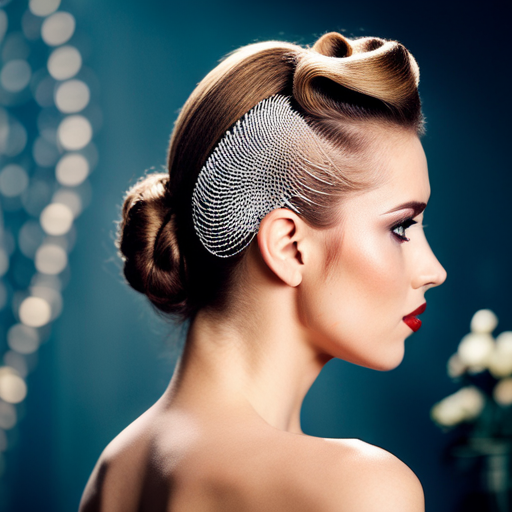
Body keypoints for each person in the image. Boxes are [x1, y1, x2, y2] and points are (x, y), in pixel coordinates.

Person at [79, 30, 447, 511]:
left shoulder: (115, 474)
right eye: (401, 227)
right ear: (289, 245)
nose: (433, 270)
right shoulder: (361, 490)